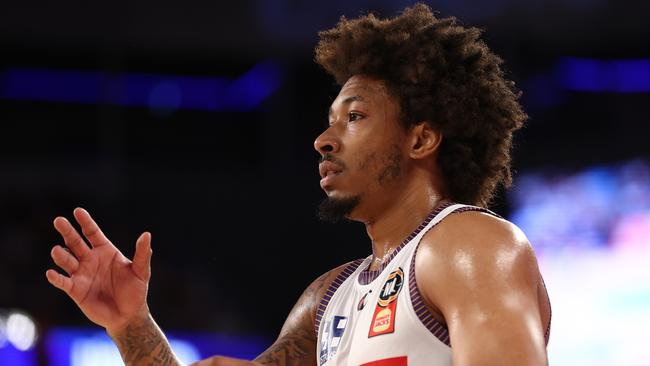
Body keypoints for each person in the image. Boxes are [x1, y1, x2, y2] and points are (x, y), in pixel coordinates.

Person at [46, 4, 551, 366]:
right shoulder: (326, 300)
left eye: (354, 117)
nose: (323, 140)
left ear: (420, 139)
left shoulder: (473, 247)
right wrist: (130, 326)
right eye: (329, 120)